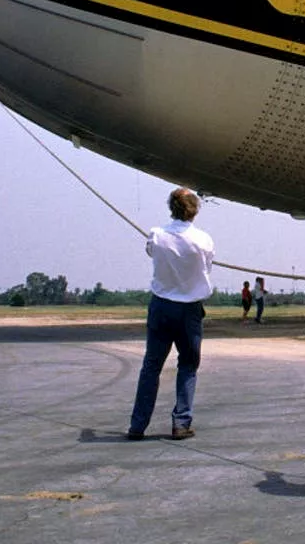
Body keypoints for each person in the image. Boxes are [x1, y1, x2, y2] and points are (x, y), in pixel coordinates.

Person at [126, 188, 215, 441]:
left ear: (171, 208)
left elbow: (151, 252)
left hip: (161, 305)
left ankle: (137, 425)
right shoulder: (204, 240)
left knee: (151, 366)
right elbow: (207, 266)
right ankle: (181, 423)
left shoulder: (157, 235)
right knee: (187, 365)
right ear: (195, 210)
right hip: (189, 309)